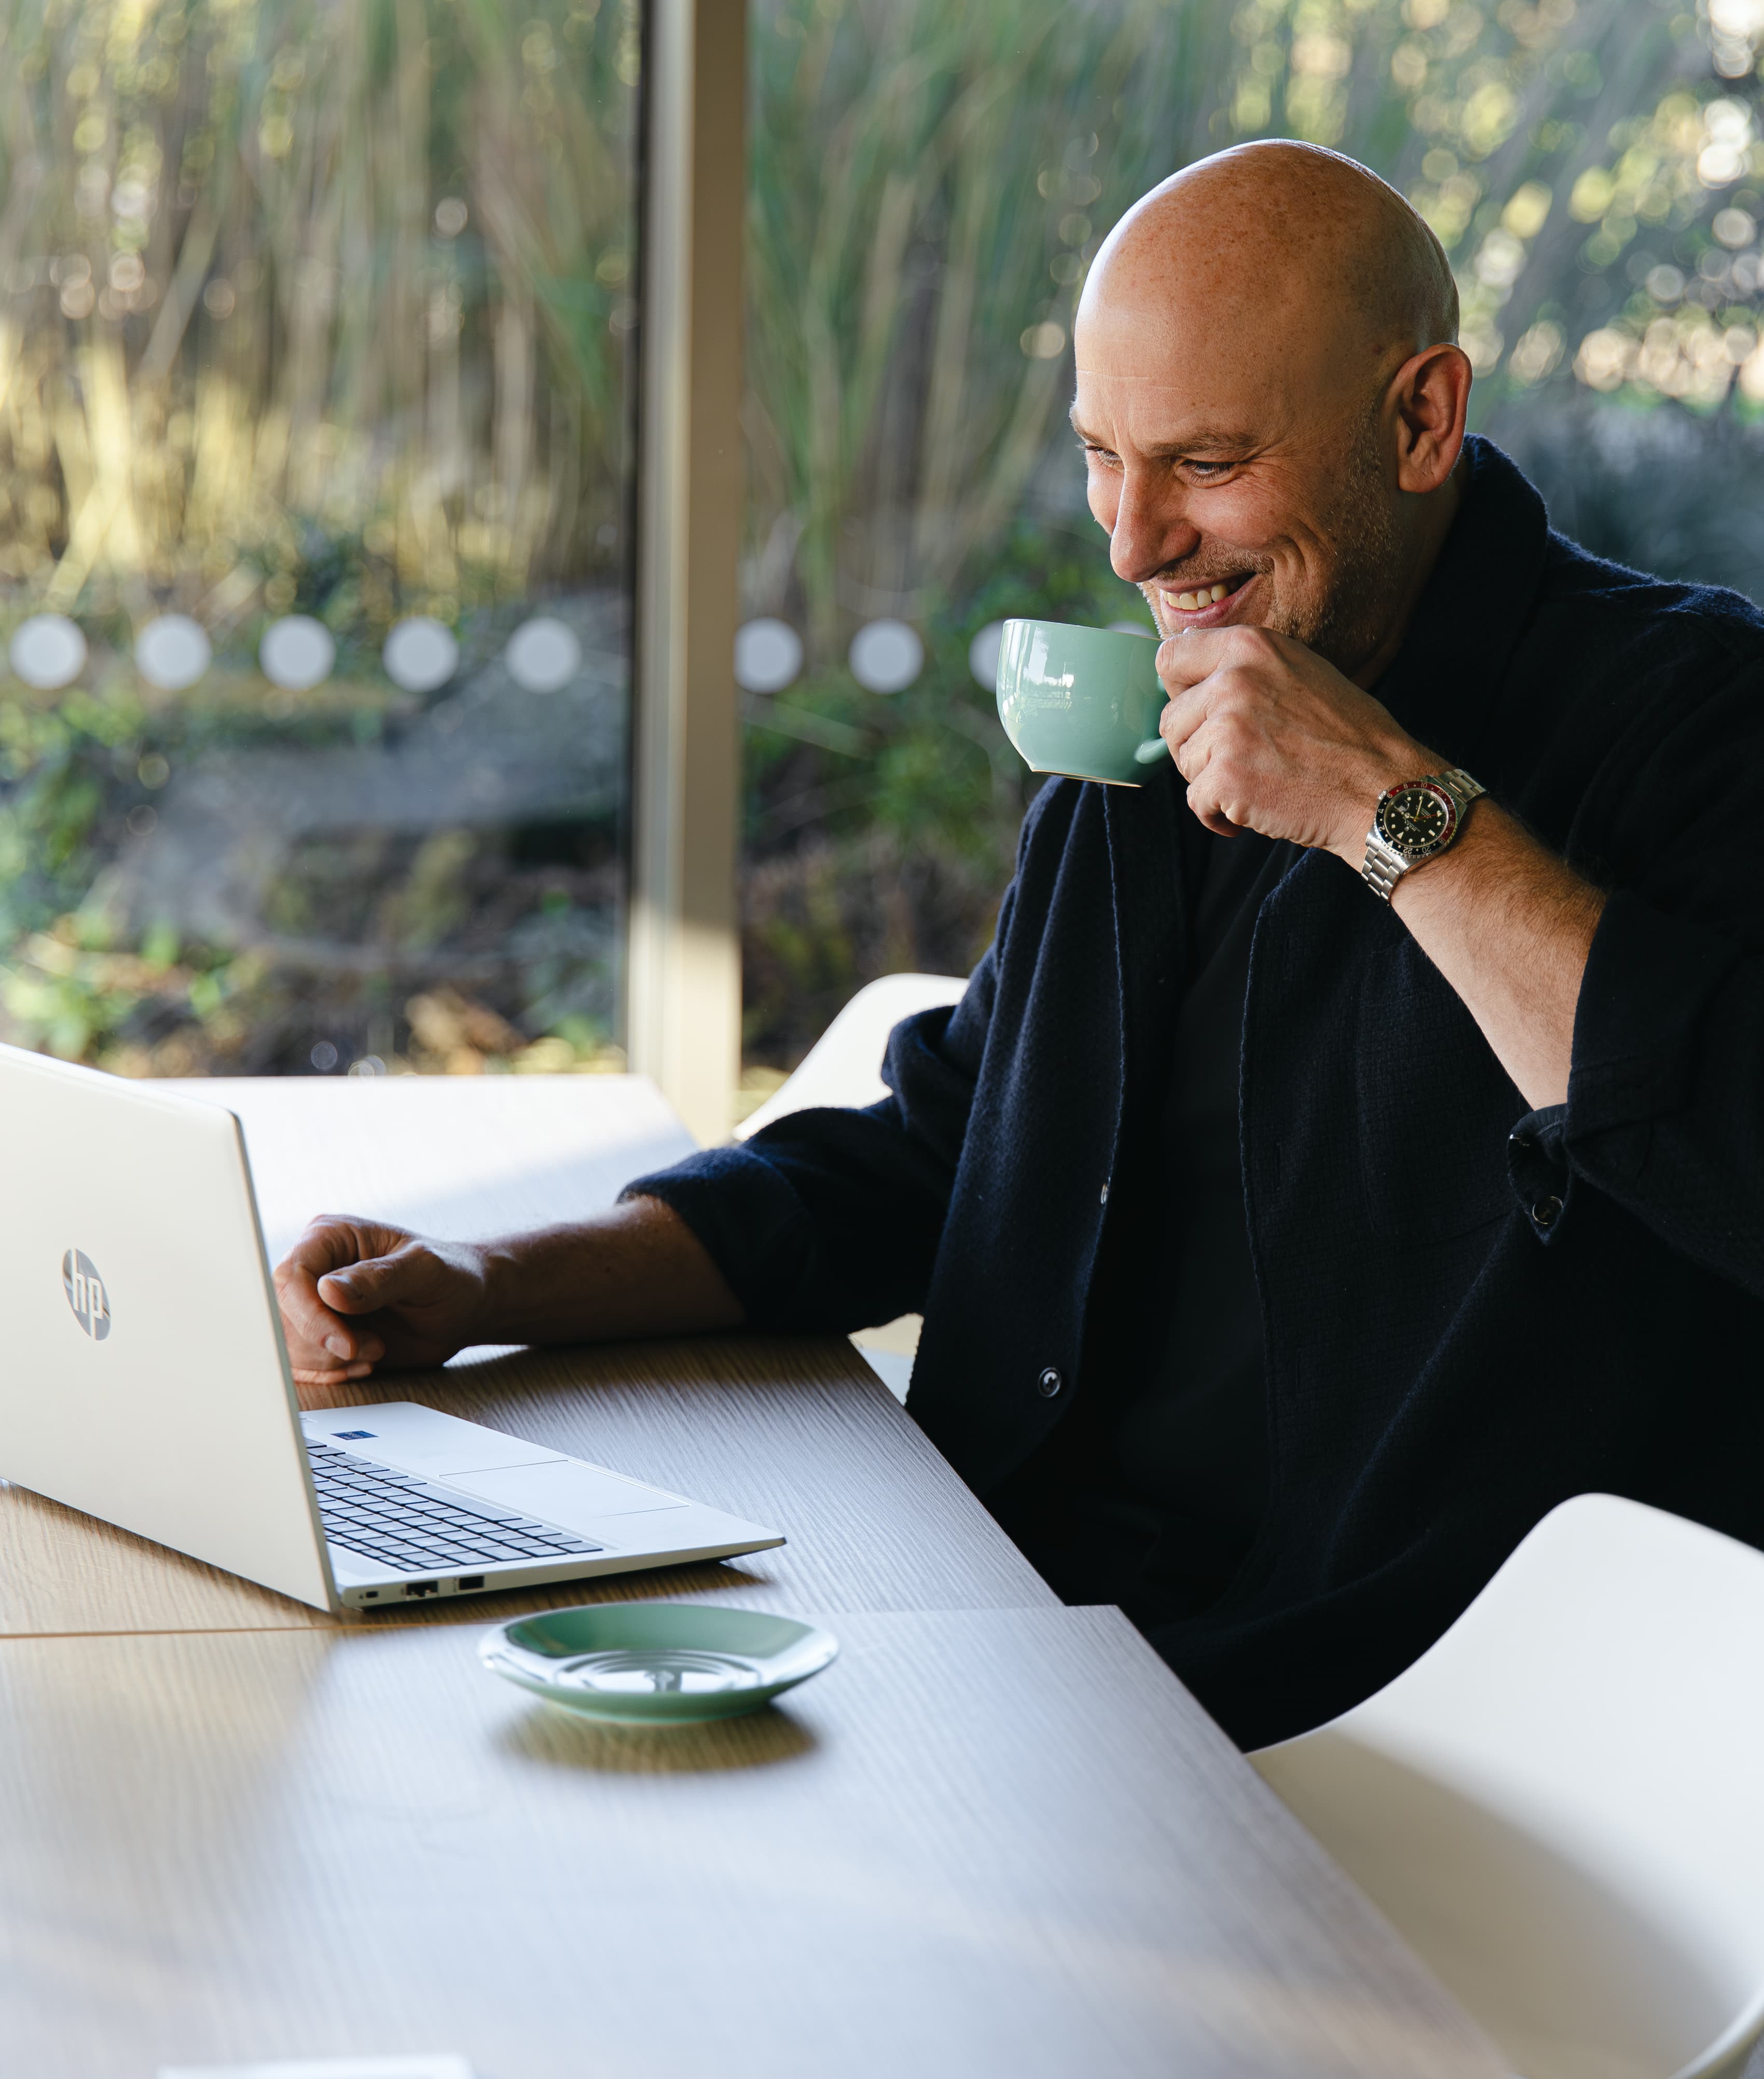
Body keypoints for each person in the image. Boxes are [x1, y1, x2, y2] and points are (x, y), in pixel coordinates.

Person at [274, 139, 1764, 1750]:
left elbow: (1728, 1146)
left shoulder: (1694, 720)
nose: (1134, 544)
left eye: (1204, 461)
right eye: (1099, 457)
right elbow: (942, 1152)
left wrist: (1386, 809)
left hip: (1393, 1717)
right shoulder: (1164, 720)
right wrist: (482, 1286)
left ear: (1420, 419)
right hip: (1002, 1625)